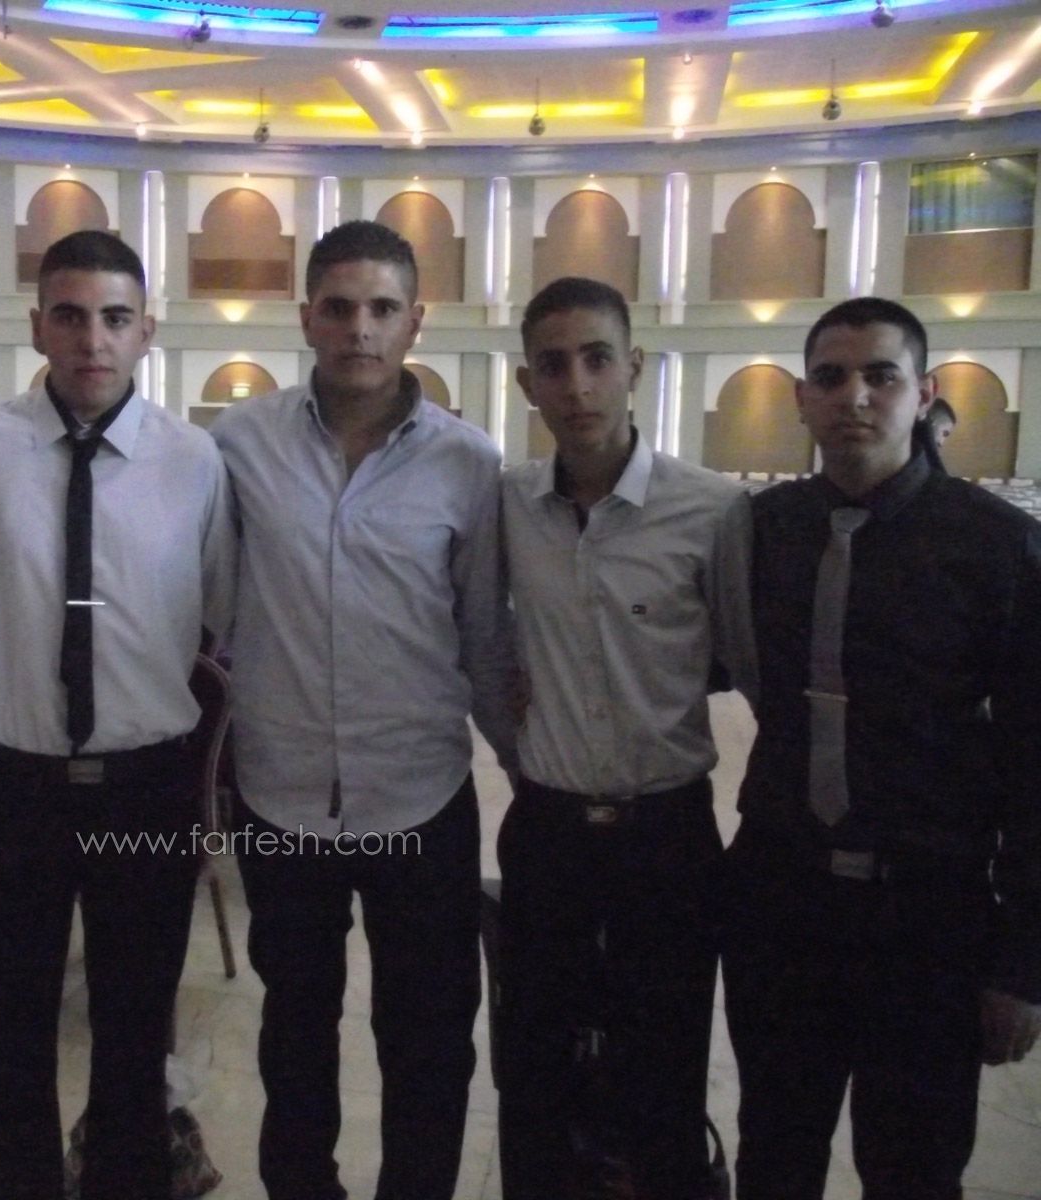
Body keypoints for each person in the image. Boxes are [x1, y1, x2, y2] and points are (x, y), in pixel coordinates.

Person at [0, 229, 234, 1200]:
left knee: (134, 1041)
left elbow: (221, 611)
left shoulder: (193, 460)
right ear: (37, 326)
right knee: (12, 1042)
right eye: (72, 317)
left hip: (146, 786)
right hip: (13, 790)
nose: (93, 339)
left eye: (115, 318)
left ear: (146, 332)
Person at [210, 220, 514, 1200]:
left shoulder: (468, 465)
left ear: (416, 320)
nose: (360, 329)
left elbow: (482, 636)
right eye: (338, 308)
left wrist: (531, 769)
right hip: (282, 794)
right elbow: (209, 604)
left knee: (429, 1040)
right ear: (305, 317)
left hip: (419, 796)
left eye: (382, 308)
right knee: (294, 1032)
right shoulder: (240, 445)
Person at [721, 296, 1041, 1199]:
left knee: (915, 1169)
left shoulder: (999, 547)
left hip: (927, 918)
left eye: (880, 375)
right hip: (782, 902)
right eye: (830, 377)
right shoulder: (761, 532)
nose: (853, 396)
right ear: (801, 398)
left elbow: (1035, 761)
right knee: (773, 1153)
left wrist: (1023, 962)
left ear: (924, 391)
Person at [496, 276, 745, 1198]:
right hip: (548, 829)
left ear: (634, 366)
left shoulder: (712, 510)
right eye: (554, 365)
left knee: (666, 1076)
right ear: (527, 384)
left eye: (597, 358)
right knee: (531, 1073)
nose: (578, 385)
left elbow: (742, 658)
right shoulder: (507, 505)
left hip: (667, 834)